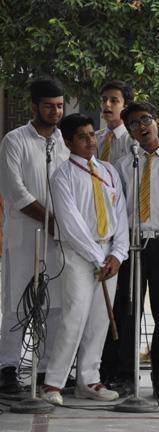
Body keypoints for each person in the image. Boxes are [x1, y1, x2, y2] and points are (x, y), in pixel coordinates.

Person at [39, 113, 129, 405]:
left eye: (92, 134)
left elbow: (120, 217)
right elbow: (71, 224)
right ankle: (53, 383)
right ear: (68, 142)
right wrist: (97, 257)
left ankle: (88, 379)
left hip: (108, 254)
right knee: (74, 316)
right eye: (82, 137)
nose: (91, 141)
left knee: (100, 318)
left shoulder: (109, 171)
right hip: (79, 254)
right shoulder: (62, 175)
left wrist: (117, 254)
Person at [104, 102, 159, 400]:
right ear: (129, 132)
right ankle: (126, 375)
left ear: (157, 121)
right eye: (134, 124)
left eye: (146, 119)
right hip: (132, 243)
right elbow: (117, 210)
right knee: (128, 311)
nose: (141, 126)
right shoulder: (123, 165)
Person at [0, 80, 68, 393]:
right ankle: (8, 367)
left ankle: (46, 371)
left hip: (58, 238)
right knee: (18, 302)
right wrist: (51, 220)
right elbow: (15, 192)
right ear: (34, 107)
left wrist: (63, 225)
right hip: (25, 236)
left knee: (54, 304)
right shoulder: (14, 140)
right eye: (49, 106)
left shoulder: (64, 142)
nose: (55, 112)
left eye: (59, 106)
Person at [96, 80, 136, 164]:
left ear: (126, 106)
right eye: (104, 100)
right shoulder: (94, 138)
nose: (107, 104)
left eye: (114, 101)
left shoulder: (133, 141)